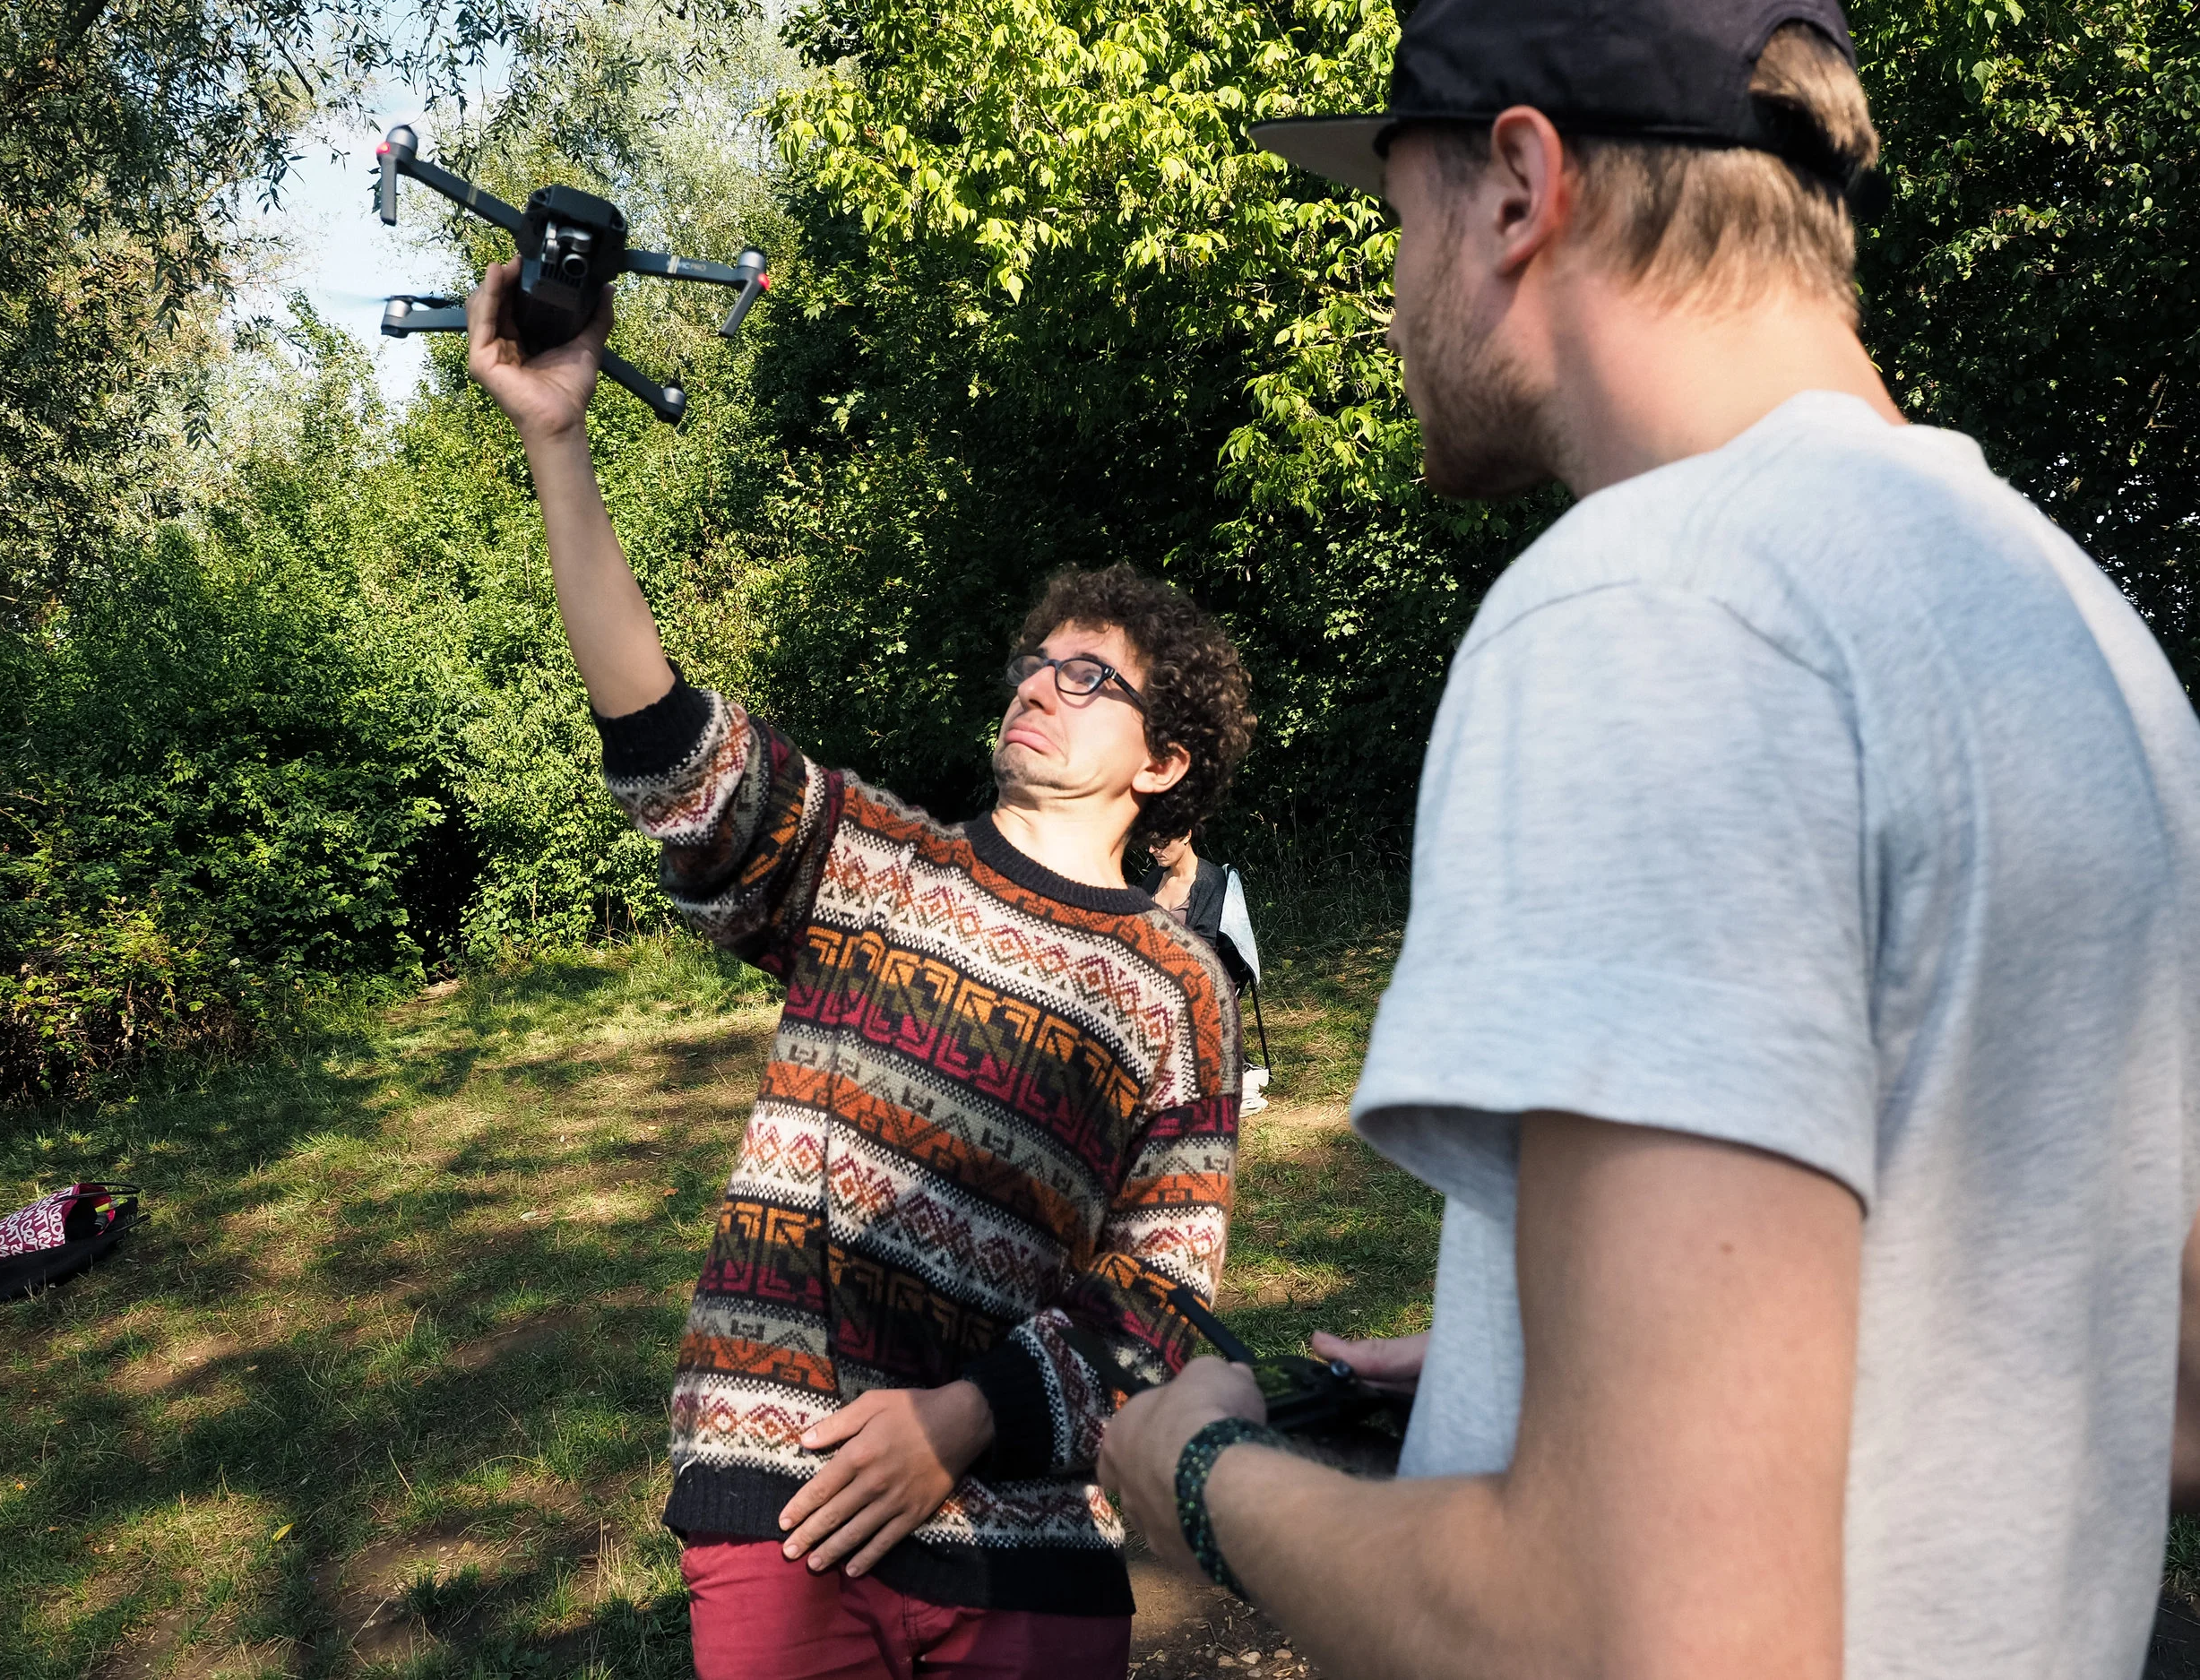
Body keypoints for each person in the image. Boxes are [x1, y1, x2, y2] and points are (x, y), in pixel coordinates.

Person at [1100, 0, 2200, 1676]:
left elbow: (1620, 1634)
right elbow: (2162, 1378)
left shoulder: (1656, 608)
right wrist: (1530, 1361)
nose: (1391, 293)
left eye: (1396, 219)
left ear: (1520, 187)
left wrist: (1198, 1472)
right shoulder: (2084, 636)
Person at [462, 268, 1257, 1679]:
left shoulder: (1179, 983)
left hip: (1030, 1541)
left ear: (1164, 761)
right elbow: (672, 753)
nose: (1037, 685)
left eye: (1089, 679)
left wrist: (966, 1414)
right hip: (794, 1490)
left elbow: (1161, 1293)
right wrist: (559, 444)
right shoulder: (871, 859)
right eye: (1034, 661)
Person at [1138, 831, 1271, 1116]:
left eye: (1159, 843)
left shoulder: (1210, 881)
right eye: (1149, 843)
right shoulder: (1154, 879)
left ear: (1185, 834)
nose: (1151, 850)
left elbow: (1203, 947)